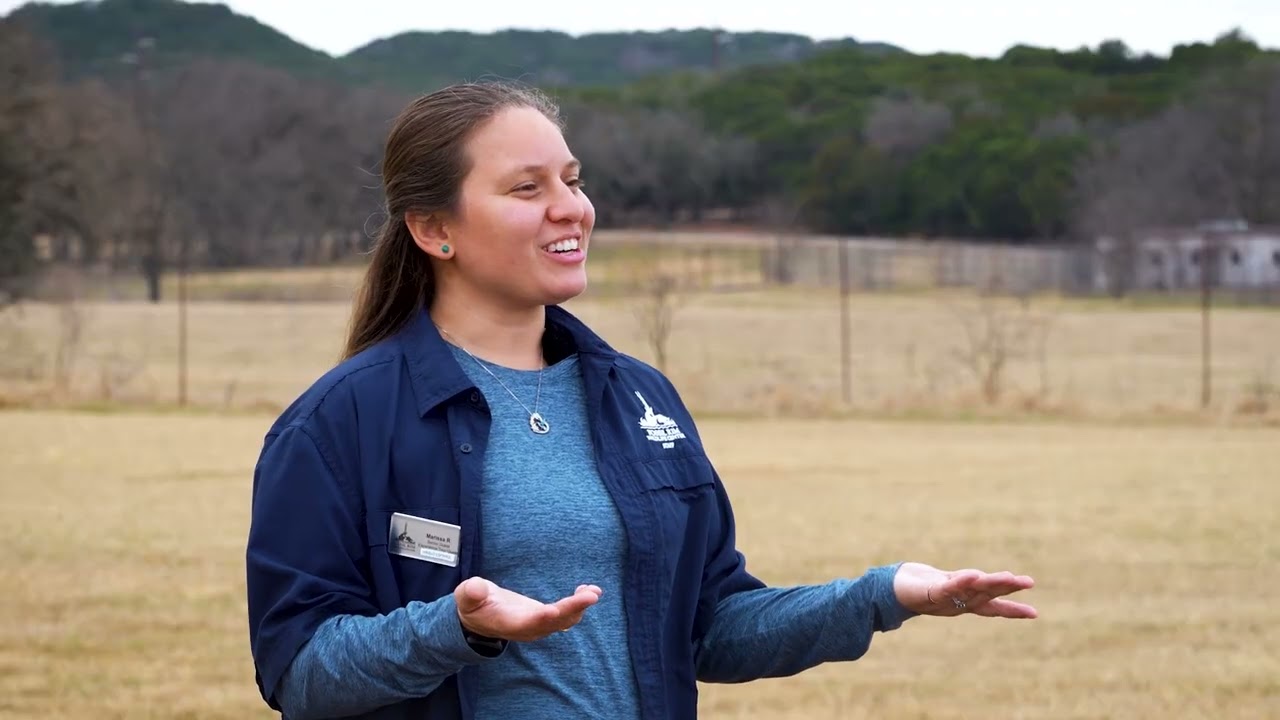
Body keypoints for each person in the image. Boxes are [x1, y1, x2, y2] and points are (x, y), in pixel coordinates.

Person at [244, 80, 1038, 720]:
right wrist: (454, 626)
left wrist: (885, 594)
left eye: (572, 179)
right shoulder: (338, 422)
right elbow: (301, 676)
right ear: (432, 229)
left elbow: (708, 628)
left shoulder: (638, 398)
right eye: (528, 188)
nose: (572, 208)